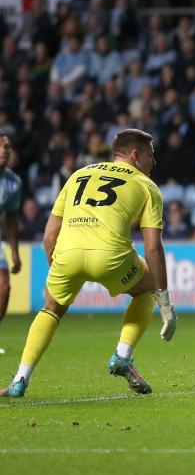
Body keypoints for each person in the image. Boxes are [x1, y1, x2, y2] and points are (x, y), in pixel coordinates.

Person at [1, 130, 178, 399]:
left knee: (51, 308)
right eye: (150, 155)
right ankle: (123, 356)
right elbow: (153, 247)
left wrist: (57, 270)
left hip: (68, 254)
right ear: (135, 155)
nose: (153, 162)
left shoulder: (78, 175)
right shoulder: (147, 186)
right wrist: (164, 302)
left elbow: (49, 236)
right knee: (146, 289)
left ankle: (19, 380)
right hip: (110, 256)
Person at [0, 135, 23, 351]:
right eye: (0, 147)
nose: (4, 150)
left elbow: (11, 219)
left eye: (7, 147)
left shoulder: (13, 182)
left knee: (4, 287)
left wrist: (15, 251)